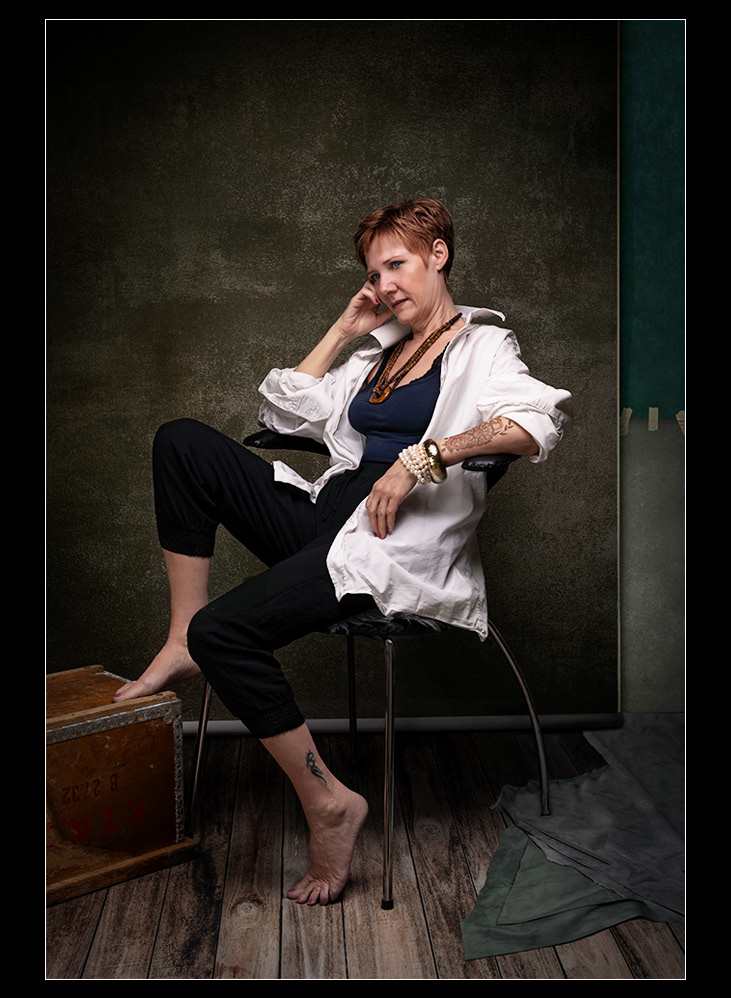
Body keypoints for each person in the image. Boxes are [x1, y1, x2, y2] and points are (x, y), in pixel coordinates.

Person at [113, 198, 573, 905]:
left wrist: (421, 459)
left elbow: (530, 424)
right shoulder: (379, 352)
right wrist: (343, 329)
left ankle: (328, 800)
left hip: (385, 544)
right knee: (181, 441)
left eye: (397, 264)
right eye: (373, 272)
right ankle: (180, 636)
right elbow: (283, 412)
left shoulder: (483, 347)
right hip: (322, 517)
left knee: (223, 633)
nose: (384, 283)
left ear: (438, 255)